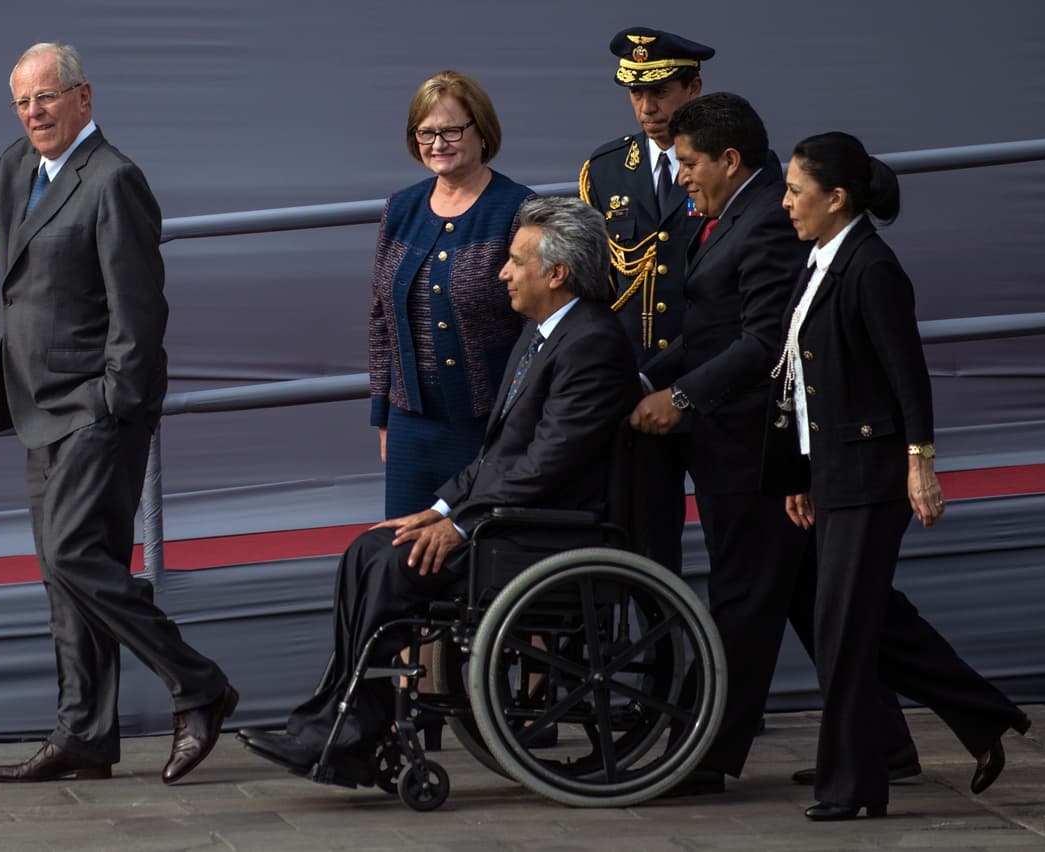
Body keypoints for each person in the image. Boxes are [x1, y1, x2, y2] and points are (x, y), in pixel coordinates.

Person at [0, 44, 236, 784]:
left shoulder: (114, 179)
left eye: (47, 97)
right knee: (64, 576)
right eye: (23, 102)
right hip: (35, 407)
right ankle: (84, 735)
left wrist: (115, 402)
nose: (35, 112)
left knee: (73, 557)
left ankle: (201, 685)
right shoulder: (20, 168)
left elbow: (140, 307)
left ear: (83, 97)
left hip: (96, 411)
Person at [239, 197, 640, 783]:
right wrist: (437, 509)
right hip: (508, 516)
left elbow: (548, 465)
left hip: (545, 532)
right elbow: (496, 456)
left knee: (394, 567)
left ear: (556, 273)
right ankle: (338, 720)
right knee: (369, 550)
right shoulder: (542, 335)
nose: (503, 271)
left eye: (515, 260)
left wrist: (460, 526)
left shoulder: (592, 343)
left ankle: (355, 729)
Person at [767, 131, 1031, 820]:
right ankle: (983, 714)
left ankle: (853, 787)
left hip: (871, 474)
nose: (786, 201)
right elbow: (803, 382)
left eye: (797, 189)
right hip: (830, 471)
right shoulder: (819, 260)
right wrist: (799, 472)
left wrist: (922, 467)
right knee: (873, 619)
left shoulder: (872, 268)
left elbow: (906, 376)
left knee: (843, 631)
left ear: (838, 198)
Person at [627, 91, 818, 795]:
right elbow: (705, 333)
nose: (680, 176)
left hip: (753, 447)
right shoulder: (726, 215)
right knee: (825, 600)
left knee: (742, 598)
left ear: (730, 160)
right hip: (734, 442)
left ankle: (705, 758)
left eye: (688, 163)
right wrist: (642, 377)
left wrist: (679, 397)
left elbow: (764, 342)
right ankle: (902, 734)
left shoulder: (766, 218)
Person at [371, 70, 534, 520]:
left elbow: (536, 326)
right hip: (410, 426)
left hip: (491, 425)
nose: (437, 142)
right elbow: (381, 320)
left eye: (451, 130)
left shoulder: (517, 209)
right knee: (406, 555)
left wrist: (519, 420)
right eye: (425, 132)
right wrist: (382, 416)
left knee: (480, 552)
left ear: (481, 130)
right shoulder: (400, 208)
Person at [578, 26, 712, 572]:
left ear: (693, 89)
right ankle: (664, 654)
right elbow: (595, 284)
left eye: (660, 91)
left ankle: (721, 657)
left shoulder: (731, 163)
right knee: (645, 546)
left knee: (740, 538)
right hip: (635, 387)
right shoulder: (605, 170)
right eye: (635, 93)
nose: (647, 107)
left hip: (712, 379)